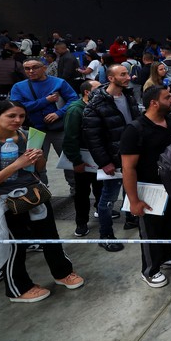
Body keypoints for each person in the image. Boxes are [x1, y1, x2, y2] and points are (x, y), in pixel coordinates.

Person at [0, 99, 84, 302]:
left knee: (50, 235)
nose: (17, 120)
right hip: (5, 202)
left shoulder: (26, 135)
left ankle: (62, 272)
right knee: (16, 244)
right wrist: (16, 165)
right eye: (11, 116)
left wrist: (38, 156)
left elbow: (39, 168)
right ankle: (18, 289)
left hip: (34, 194)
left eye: (21, 116)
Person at [119, 86, 171, 287]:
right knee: (152, 231)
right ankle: (150, 270)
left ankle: (168, 256)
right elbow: (128, 169)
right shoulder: (135, 130)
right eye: (167, 97)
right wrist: (134, 200)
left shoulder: (170, 121)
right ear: (154, 102)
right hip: (150, 191)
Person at [83, 64, 142, 250]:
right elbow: (93, 138)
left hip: (132, 156)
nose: (128, 77)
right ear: (110, 78)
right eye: (123, 74)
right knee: (108, 198)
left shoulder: (129, 96)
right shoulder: (96, 104)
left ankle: (132, 219)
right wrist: (104, 162)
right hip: (112, 160)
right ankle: (106, 234)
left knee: (131, 190)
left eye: (127, 74)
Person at [10, 57, 79, 192]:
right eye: (27, 68)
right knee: (35, 163)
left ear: (44, 67)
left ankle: (75, 187)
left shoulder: (59, 83)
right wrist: (45, 101)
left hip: (59, 128)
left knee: (69, 160)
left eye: (35, 67)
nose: (31, 71)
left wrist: (59, 113)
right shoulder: (19, 87)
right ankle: (42, 190)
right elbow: (17, 107)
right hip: (34, 130)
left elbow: (74, 100)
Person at [62, 79, 103, 237]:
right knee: (82, 193)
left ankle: (101, 210)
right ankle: (81, 222)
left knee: (100, 188)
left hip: (98, 158)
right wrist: (76, 161)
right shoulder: (75, 110)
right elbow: (70, 138)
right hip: (83, 160)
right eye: (98, 88)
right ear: (87, 92)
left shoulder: (97, 106)